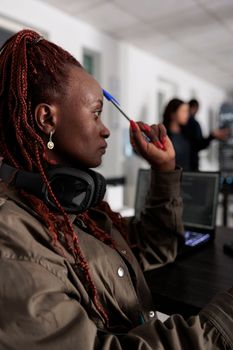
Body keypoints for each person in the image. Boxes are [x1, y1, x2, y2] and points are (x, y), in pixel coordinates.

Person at [0, 29, 232, 350]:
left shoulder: (69, 205)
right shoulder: (10, 238)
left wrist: (163, 170)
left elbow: (153, 249)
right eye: (96, 113)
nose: (106, 130)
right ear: (46, 118)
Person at [186, 99, 229, 171]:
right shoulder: (193, 124)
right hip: (190, 162)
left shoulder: (188, 123)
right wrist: (212, 136)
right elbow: (199, 144)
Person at [163, 98, 191, 170]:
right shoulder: (164, 135)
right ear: (173, 113)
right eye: (183, 111)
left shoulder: (187, 133)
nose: (187, 115)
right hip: (170, 176)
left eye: (187, 111)